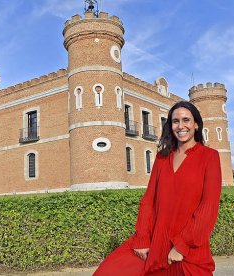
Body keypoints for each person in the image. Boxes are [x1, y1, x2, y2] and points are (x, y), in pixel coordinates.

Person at [94, 101, 222, 276]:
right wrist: (142, 238)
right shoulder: (162, 158)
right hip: (156, 243)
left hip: (188, 251)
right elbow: (149, 200)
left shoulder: (209, 157)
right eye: (175, 121)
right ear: (170, 126)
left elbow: (208, 207)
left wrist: (182, 246)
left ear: (196, 124)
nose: (181, 126)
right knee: (108, 271)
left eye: (186, 120)